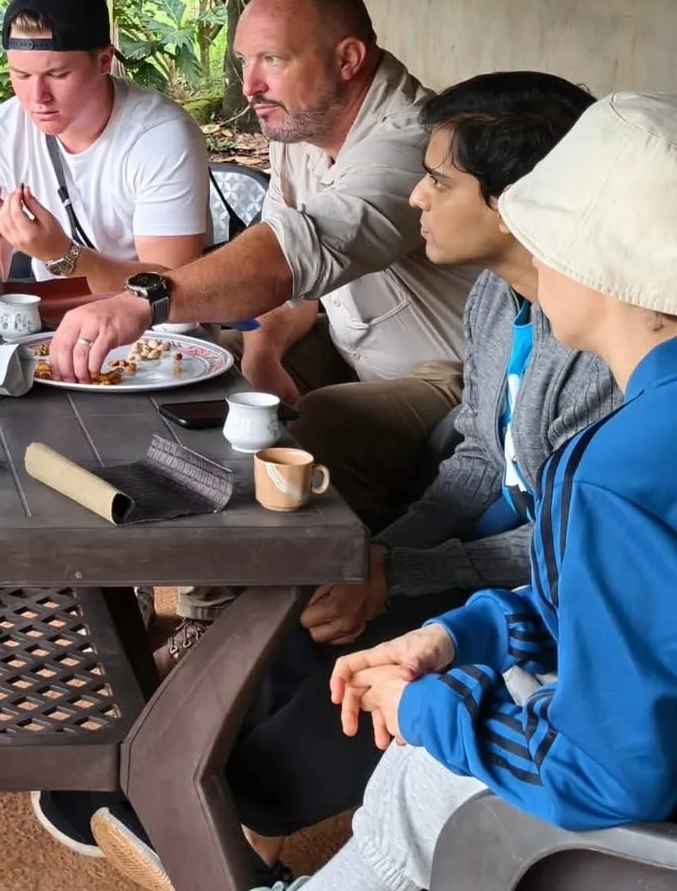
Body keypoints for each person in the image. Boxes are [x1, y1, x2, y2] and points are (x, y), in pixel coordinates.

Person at [33, 72, 618, 889]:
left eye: (440, 181)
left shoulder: (603, 347)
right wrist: (372, 560)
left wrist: (403, 573)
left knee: (370, 663)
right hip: (492, 557)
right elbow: (479, 462)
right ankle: (189, 795)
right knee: (305, 617)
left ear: (519, 203)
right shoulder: (498, 299)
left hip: (545, 595)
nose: (417, 197)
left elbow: (572, 556)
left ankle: (225, 831)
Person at [256, 89, 677, 891]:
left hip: (640, 822)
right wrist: (462, 634)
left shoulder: (622, 465)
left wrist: (430, 708)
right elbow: (605, 605)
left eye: (546, 236)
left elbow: (607, 774)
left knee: (424, 780)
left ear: (594, 262)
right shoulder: (633, 431)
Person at [47, 0, 479, 665]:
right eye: (245, 61)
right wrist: (263, 346)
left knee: (314, 426)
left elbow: (301, 250)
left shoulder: (411, 143)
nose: (249, 85)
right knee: (192, 363)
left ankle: (226, 637)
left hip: (452, 375)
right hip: (347, 340)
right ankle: (151, 584)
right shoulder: (299, 123)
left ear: (347, 59)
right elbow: (296, 281)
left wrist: (145, 297)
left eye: (271, 60)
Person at [0, 0, 208, 293]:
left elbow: (174, 289)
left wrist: (62, 256)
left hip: (146, 321)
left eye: (58, 74)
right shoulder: (2, 133)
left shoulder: (159, 137)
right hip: (51, 316)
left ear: (104, 61)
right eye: (21, 75)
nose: (37, 97)